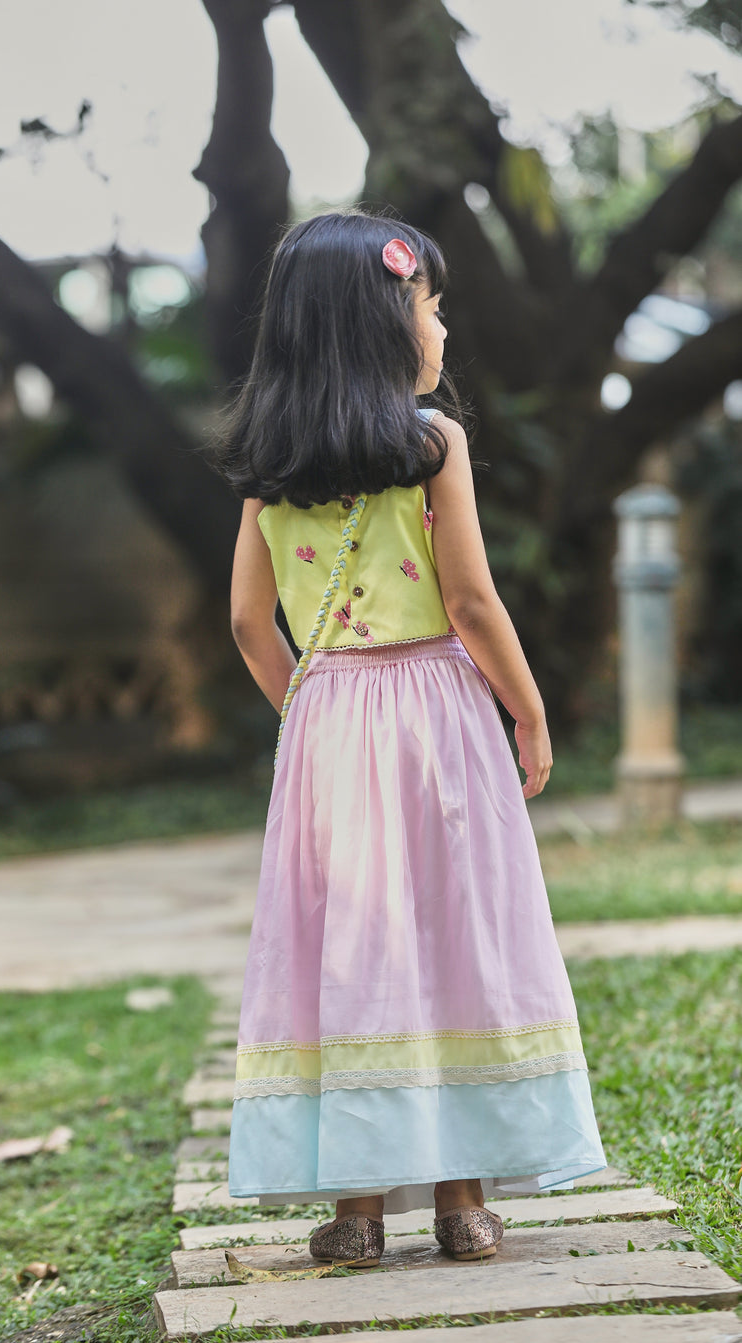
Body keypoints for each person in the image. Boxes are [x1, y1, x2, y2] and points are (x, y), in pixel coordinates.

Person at [213, 209, 606, 1268]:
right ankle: (464, 1205)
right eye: (431, 306)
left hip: (330, 714)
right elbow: (472, 603)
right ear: (384, 323)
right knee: (454, 930)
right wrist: (524, 706)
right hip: (437, 709)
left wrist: (307, 711)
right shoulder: (434, 444)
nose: (442, 327)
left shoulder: (265, 460)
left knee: (349, 947)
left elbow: (252, 626)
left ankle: (353, 1212)